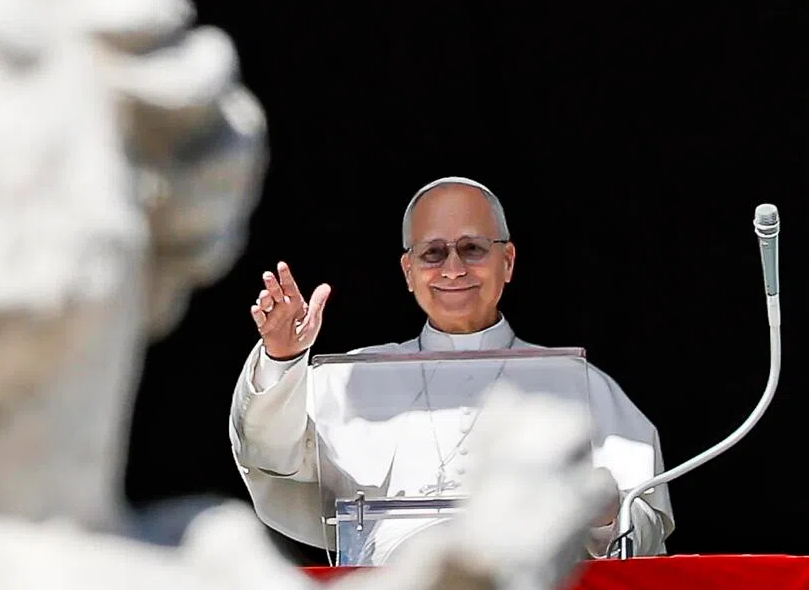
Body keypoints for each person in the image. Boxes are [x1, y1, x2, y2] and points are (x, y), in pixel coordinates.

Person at [229, 176, 674, 563]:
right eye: (433, 253)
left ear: (509, 261)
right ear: (408, 270)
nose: (454, 269)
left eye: (473, 248)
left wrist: (607, 515)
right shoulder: (350, 377)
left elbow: (644, 530)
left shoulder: (578, 382)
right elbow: (270, 458)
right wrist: (282, 359)